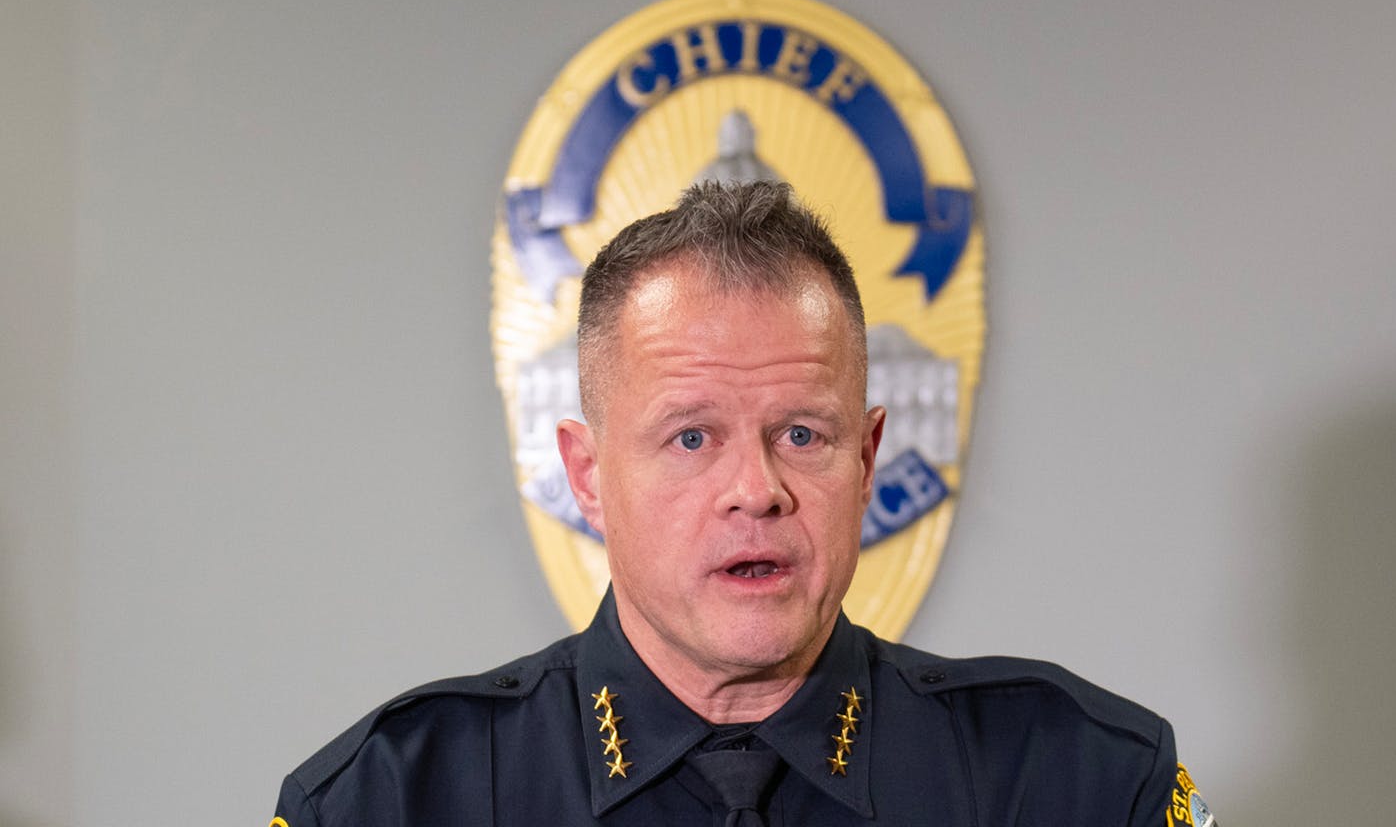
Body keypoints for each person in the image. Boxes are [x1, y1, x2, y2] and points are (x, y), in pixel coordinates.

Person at [270, 181, 1214, 826]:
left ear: (868, 456)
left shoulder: (1077, 782)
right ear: (588, 473)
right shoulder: (392, 800)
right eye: (691, 437)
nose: (756, 491)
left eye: (802, 434)